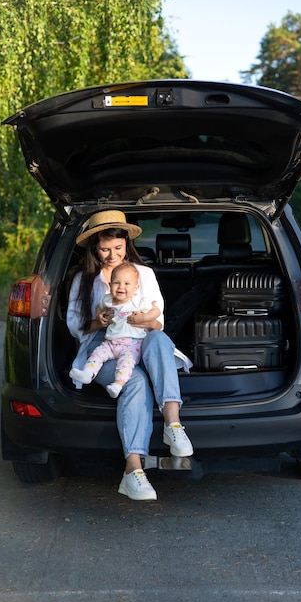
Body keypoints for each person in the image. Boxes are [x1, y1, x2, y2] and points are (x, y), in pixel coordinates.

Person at [66, 210, 193, 502]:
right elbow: (75, 326)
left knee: (160, 338)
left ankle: (173, 425)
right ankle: (133, 471)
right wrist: (98, 321)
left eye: (118, 248)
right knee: (134, 381)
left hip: (142, 338)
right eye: (105, 249)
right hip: (104, 345)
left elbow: (158, 320)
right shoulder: (85, 280)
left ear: (127, 244)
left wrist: (143, 320)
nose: (112, 255)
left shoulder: (143, 274)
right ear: (94, 248)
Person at [69, 262, 160, 398]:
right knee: (97, 355)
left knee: (126, 364)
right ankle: (87, 374)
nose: (121, 287)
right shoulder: (107, 299)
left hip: (131, 344)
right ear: (110, 285)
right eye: (116, 283)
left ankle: (117, 385)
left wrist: (145, 317)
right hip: (111, 342)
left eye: (126, 284)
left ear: (136, 288)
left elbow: (156, 310)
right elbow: (99, 306)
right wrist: (100, 316)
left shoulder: (138, 301)